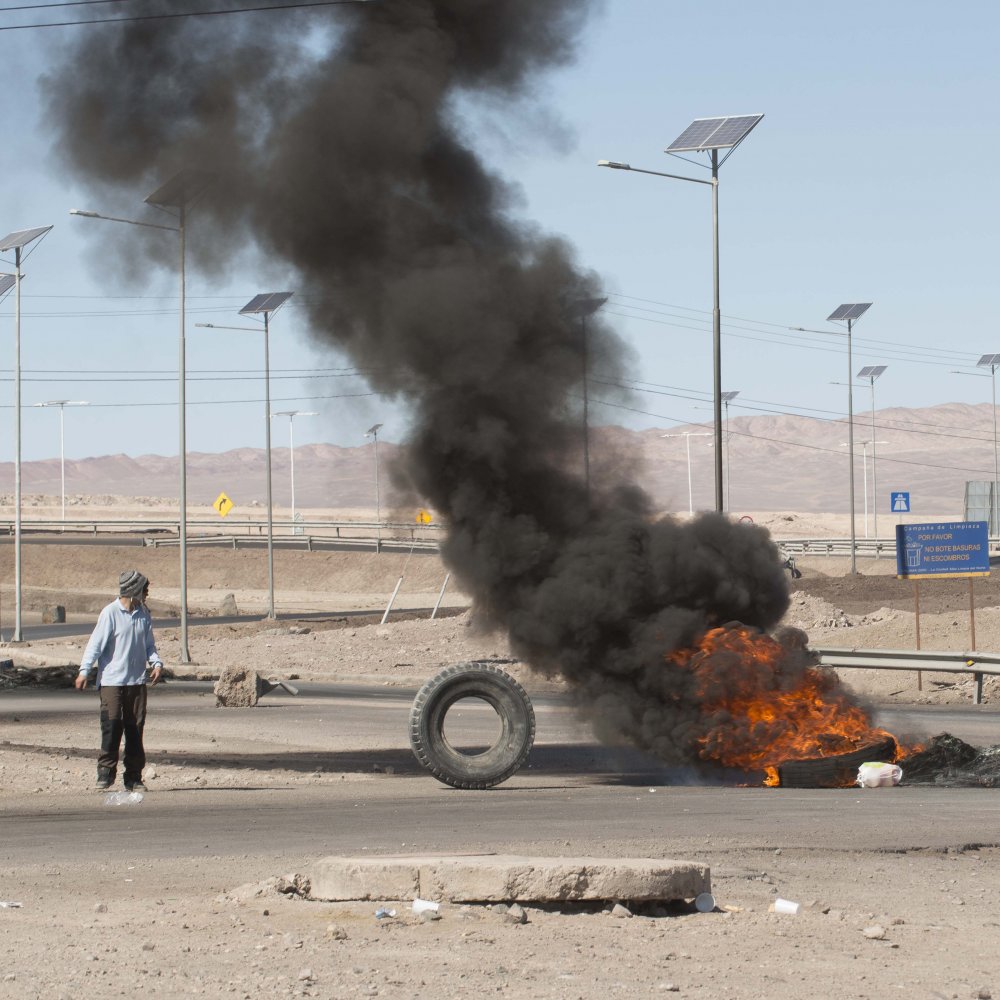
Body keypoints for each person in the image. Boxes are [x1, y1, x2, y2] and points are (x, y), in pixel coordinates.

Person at [75, 569, 164, 791]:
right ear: (133, 590)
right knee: (112, 725)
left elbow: (149, 645)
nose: (147, 593)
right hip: (112, 682)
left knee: (135, 730)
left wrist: (156, 663)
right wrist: (84, 671)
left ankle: (133, 777)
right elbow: (95, 645)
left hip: (136, 682)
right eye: (144, 589)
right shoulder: (110, 613)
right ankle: (105, 773)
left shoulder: (144, 613)